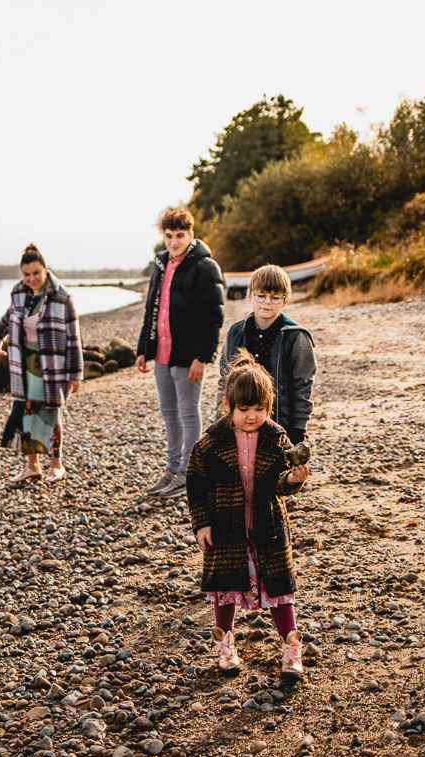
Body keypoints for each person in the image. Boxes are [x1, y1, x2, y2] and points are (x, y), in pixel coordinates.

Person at [186, 350, 309, 677]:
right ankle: (225, 645)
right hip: (226, 529)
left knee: (280, 590)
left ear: (268, 408)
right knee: (224, 589)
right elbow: (196, 484)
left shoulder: (276, 438)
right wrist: (202, 524)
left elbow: (280, 482)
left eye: (260, 409)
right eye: (244, 409)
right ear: (228, 406)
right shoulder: (210, 443)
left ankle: (291, 650)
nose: (252, 416)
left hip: (268, 527)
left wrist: (293, 480)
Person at [136, 206, 226, 499]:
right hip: (162, 353)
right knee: (168, 413)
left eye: (180, 235)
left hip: (189, 355)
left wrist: (203, 357)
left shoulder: (205, 267)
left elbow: (213, 317)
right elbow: (152, 310)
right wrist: (142, 350)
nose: (174, 242)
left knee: (188, 413)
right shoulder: (161, 265)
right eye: (169, 236)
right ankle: (172, 470)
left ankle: (190, 474)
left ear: (191, 235)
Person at [0, 244, 83, 483]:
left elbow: (74, 337)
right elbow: (9, 316)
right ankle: (32, 466)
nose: (31, 278)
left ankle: (57, 465)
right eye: (26, 274)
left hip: (52, 365)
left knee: (50, 412)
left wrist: (76, 373)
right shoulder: (19, 293)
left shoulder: (62, 296)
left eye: (36, 273)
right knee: (25, 412)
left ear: (45, 269)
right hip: (23, 364)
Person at [218, 264, 316, 444]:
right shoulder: (236, 332)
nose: (267, 302)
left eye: (275, 297)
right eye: (261, 296)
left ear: (285, 300)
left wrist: (299, 428)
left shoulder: (296, 336)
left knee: (276, 470)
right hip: (240, 420)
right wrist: (221, 418)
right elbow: (225, 379)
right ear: (249, 295)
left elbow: (303, 385)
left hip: (280, 422)